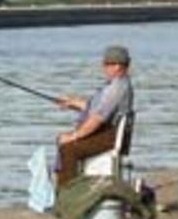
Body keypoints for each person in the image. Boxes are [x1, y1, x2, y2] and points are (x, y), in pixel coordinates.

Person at [55, 44, 134, 189]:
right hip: (109, 133)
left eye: (106, 64)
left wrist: (74, 136)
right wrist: (73, 103)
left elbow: (98, 118)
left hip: (110, 137)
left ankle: (67, 193)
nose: (104, 68)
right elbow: (96, 108)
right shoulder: (117, 84)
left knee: (68, 148)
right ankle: (70, 188)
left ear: (118, 66)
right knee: (63, 140)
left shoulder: (116, 88)